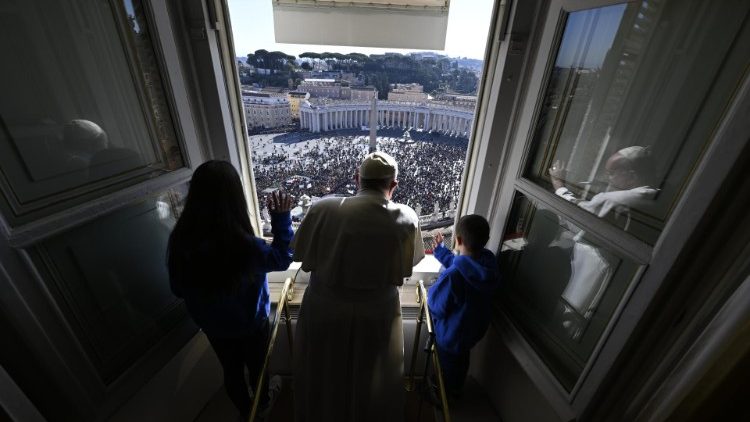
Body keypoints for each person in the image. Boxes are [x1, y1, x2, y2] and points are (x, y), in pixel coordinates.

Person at [291, 151, 425, 422]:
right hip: (377, 313)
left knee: (324, 372)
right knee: (372, 378)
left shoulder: (322, 208)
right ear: (393, 185)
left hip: (325, 309)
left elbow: (300, 256)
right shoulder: (407, 217)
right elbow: (409, 266)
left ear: (356, 179)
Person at [166, 160, 293, 420]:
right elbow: (282, 259)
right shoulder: (245, 246)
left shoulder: (180, 240)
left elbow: (178, 289)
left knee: (231, 372)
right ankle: (263, 403)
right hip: (251, 324)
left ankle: (246, 412)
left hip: (214, 327)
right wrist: (281, 219)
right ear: (235, 198)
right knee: (259, 368)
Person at [428, 215, 500, 397]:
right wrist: (442, 253)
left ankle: (444, 397)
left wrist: (433, 289)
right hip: (470, 334)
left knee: (445, 371)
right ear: (486, 240)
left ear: (458, 240)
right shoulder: (488, 264)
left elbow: (436, 305)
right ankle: (455, 388)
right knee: (460, 366)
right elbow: (467, 266)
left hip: (450, 335)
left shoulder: (453, 276)